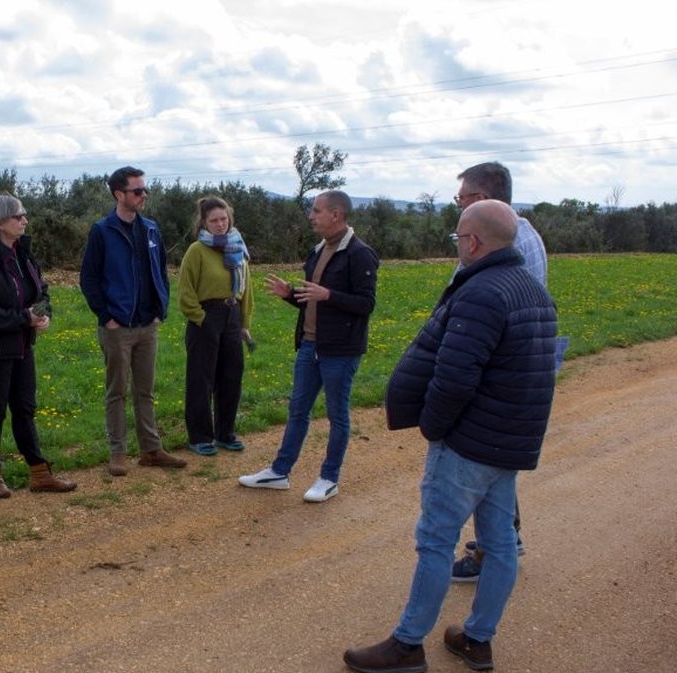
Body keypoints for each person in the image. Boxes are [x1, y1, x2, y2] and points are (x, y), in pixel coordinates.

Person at [343, 200, 557, 673]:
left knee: (436, 541)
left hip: (469, 443)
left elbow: (455, 376)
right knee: (499, 541)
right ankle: (477, 639)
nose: (457, 246)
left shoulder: (482, 291)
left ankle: (407, 644)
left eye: (458, 238)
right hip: (510, 443)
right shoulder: (532, 288)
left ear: (474, 241)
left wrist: (435, 427)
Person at [450, 161, 555, 582]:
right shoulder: (523, 235)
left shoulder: (505, 247)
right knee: (494, 462)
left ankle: (497, 548)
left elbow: (492, 315)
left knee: (484, 460)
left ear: (479, 200)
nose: (457, 207)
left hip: (494, 376)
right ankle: (502, 541)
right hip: (509, 372)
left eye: (460, 199)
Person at [238, 190, 378, 502]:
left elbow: (366, 304)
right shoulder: (319, 250)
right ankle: (279, 472)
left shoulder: (359, 254)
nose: (311, 216)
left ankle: (329, 478)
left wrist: (329, 295)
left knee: (336, 414)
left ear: (336, 215)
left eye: (316, 211)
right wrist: (290, 294)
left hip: (340, 351)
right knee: (297, 410)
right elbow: (312, 301)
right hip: (309, 345)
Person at [0, 193, 78, 497]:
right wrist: (22, 319)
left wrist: (42, 315)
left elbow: (42, 292)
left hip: (22, 345)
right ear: (0, 222)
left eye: (23, 215)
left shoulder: (22, 254)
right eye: (18, 215)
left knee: (25, 409)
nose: (24, 220)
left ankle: (39, 473)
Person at [79, 166, 186, 476]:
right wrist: (107, 317)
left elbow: (162, 271)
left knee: (145, 391)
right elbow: (89, 278)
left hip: (147, 325)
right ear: (119, 194)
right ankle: (118, 453)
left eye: (145, 190)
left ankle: (151, 450)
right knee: (117, 392)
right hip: (117, 328)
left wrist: (159, 310)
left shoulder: (151, 228)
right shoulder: (102, 231)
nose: (144, 195)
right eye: (137, 191)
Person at [177, 195, 254, 456]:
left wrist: (244, 322)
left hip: (232, 316)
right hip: (205, 317)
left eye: (223, 219)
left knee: (231, 376)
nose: (220, 224)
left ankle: (225, 433)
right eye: (214, 220)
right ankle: (200, 437)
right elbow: (185, 291)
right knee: (201, 379)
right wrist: (200, 318)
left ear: (229, 218)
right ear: (204, 223)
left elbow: (247, 289)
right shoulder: (197, 251)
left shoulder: (238, 247)